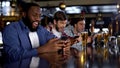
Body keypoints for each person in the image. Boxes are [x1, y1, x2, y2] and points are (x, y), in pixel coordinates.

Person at [2, 2, 69, 68]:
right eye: (34, 15)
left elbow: (55, 40)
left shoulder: (40, 29)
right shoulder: (11, 29)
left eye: (39, 16)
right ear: (24, 14)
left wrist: (64, 43)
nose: (38, 19)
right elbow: (12, 56)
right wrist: (42, 49)